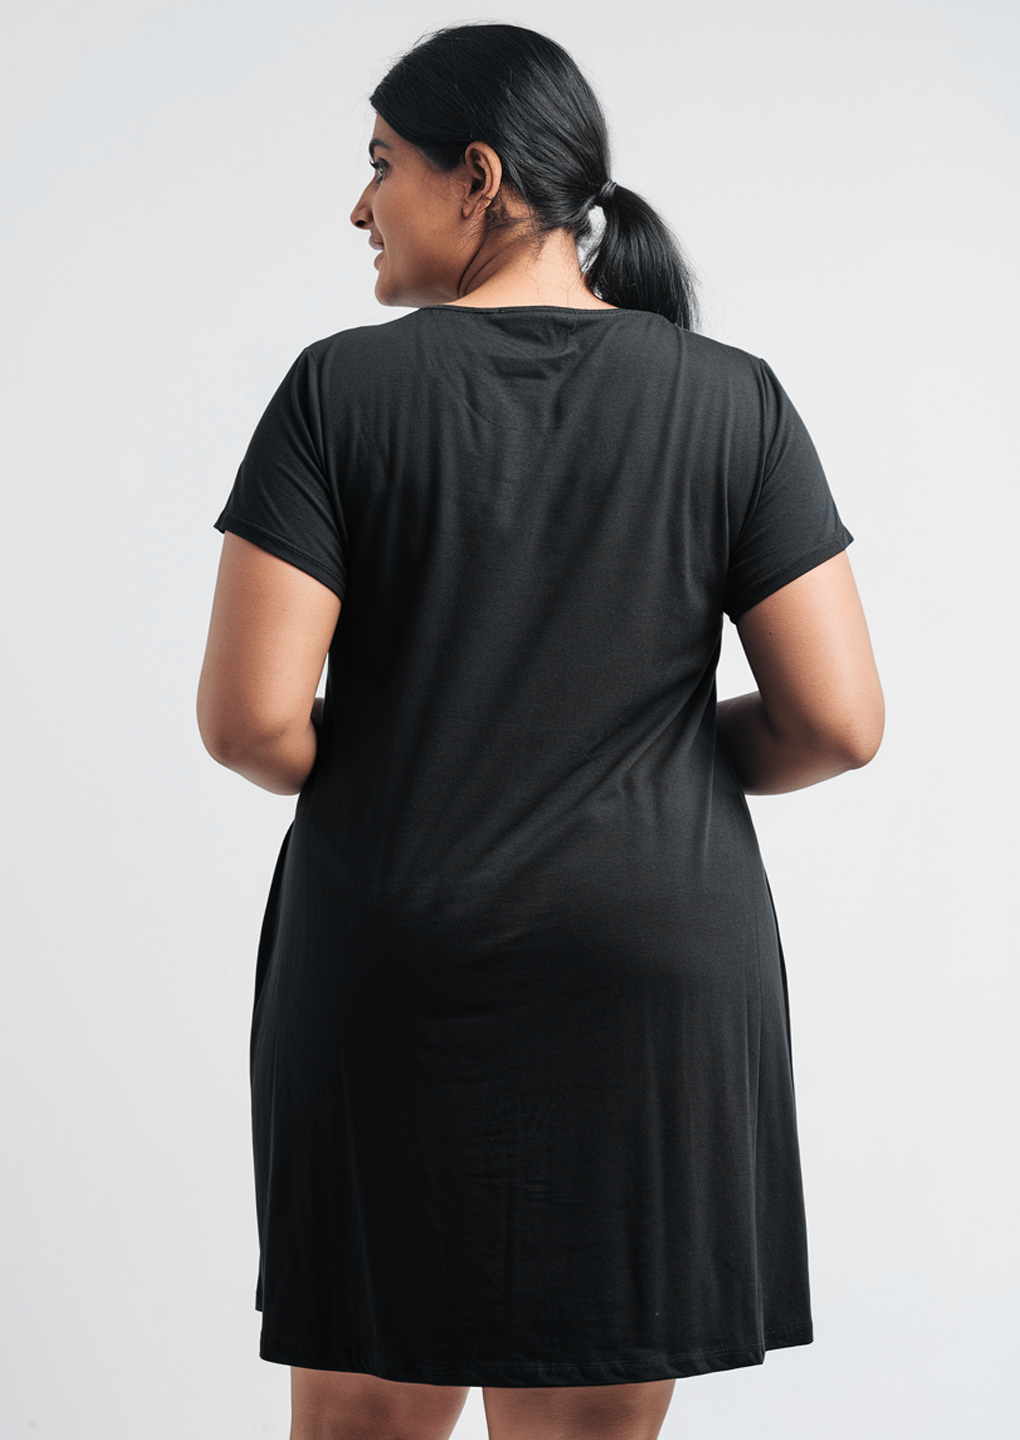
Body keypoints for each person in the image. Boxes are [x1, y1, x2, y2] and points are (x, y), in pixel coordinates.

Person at [196, 21, 884, 1440]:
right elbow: (838, 722)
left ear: (479, 177)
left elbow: (251, 722)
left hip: (396, 966)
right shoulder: (732, 400)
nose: (360, 205)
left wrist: (412, 767)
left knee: (366, 1412)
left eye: (380, 163)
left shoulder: (341, 392)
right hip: (653, 980)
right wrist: (653, 770)